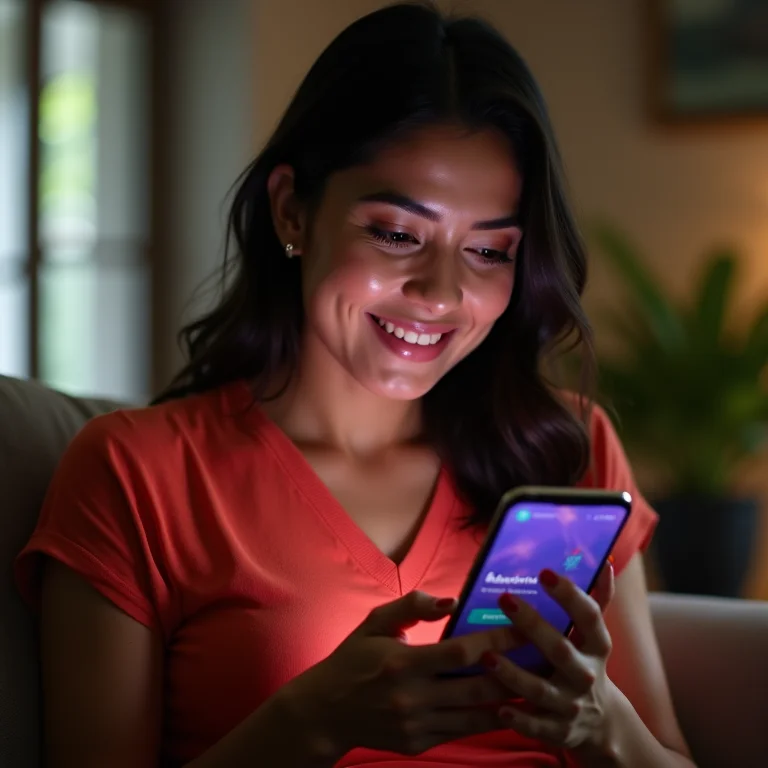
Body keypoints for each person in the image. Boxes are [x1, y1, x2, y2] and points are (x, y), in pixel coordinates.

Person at [15, 3, 695, 766]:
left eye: (489, 251)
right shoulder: (137, 475)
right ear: (292, 210)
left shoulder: (570, 447)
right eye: (397, 234)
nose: (439, 294)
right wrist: (313, 720)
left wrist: (602, 720)